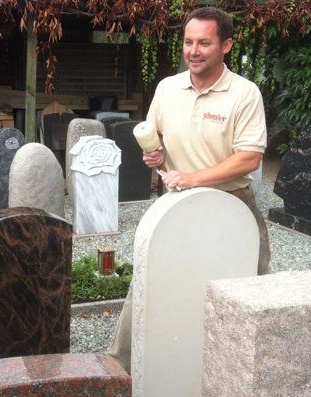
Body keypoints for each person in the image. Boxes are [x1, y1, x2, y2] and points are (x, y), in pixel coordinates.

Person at [109, 6, 270, 373]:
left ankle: (247, 376)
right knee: (150, 282)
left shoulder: (244, 94)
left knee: (253, 289)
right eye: (188, 42)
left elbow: (249, 158)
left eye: (204, 43)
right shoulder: (168, 88)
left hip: (233, 205)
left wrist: (193, 177)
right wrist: (155, 155)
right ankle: (117, 370)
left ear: (226, 45)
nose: (193, 51)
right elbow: (155, 136)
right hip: (178, 204)